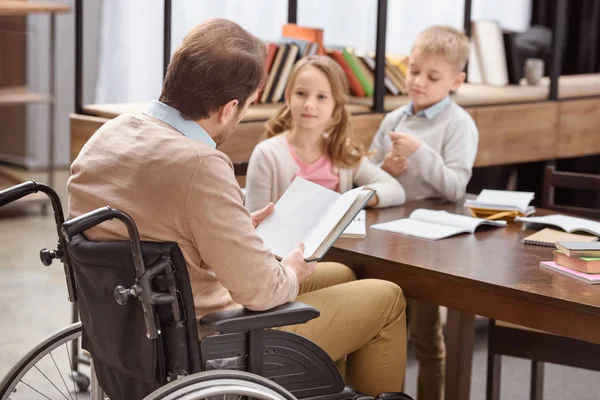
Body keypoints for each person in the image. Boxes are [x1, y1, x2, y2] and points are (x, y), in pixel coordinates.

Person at [68, 19, 407, 396]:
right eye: (246, 107)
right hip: (211, 341)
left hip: (128, 328)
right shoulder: (199, 164)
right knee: (386, 296)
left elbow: (152, 224)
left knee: (342, 273)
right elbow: (263, 291)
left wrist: (236, 224)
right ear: (229, 108)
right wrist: (292, 270)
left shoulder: (107, 136)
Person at [369, 25, 479, 400]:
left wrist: (420, 154)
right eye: (414, 70)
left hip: (432, 248)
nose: (418, 81)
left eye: (432, 77)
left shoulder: (459, 124)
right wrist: (386, 170)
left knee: (426, 337)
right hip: (388, 238)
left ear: (456, 80)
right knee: (387, 335)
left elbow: (456, 187)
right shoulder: (394, 120)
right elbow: (368, 176)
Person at [244, 55, 406, 213]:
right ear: (288, 97)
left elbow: (396, 190)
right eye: (301, 94)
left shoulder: (341, 151)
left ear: (336, 105)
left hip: (338, 241)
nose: (309, 104)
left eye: (321, 97)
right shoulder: (266, 154)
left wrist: (352, 200)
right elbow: (254, 223)